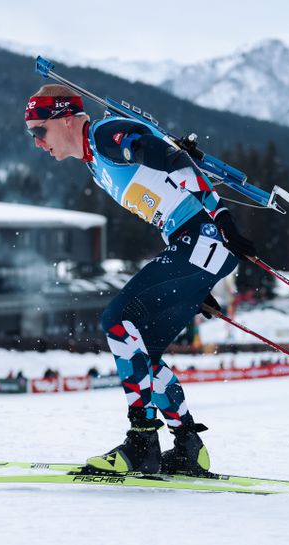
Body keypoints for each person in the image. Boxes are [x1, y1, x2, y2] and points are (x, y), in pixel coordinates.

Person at [24, 84, 255, 475]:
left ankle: (142, 442)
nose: (37, 143)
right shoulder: (95, 163)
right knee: (141, 351)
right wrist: (194, 281)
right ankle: (188, 447)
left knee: (117, 321)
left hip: (203, 238)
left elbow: (175, 161)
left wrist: (223, 218)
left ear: (64, 119)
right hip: (195, 246)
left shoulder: (103, 136)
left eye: (38, 131)